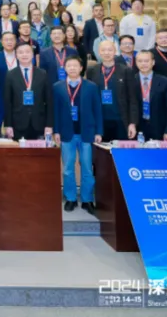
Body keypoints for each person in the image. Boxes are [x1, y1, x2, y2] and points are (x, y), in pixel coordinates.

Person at [53, 55, 102, 214]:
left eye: (76, 65)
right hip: (67, 133)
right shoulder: (57, 87)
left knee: (87, 168)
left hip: (87, 133)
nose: (72, 68)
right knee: (68, 168)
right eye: (69, 66)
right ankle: (71, 198)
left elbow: (98, 110)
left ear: (81, 68)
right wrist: (56, 130)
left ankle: (87, 200)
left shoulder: (91, 86)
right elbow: (55, 111)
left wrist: (99, 131)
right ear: (65, 68)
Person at [86, 40, 137, 142]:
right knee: (101, 151)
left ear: (115, 51)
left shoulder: (126, 70)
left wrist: (132, 123)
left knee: (120, 150)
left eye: (110, 50)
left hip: (121, 120)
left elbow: (133, 99)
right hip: (100, 121)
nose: (106, 53)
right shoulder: (92, 71)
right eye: (103, 50)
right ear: (99, 52)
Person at [3, 42, 53, 141]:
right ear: (16, 55)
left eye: (27, 52)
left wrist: (49, 125)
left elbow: (49, 101)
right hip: (18, 123)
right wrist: (8, 125)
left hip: (39, 123)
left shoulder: (42, 73)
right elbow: (7, 102)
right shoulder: (10, 75)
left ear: (33, 54)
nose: (24, 55)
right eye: (21, 52)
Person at [128, 50, 167, 141]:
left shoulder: (165, 82)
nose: (143, 64)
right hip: (137, 127)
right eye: (140, 61)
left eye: (146, 61)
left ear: (153, 62)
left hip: (159, 128)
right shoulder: (130, 81)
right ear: (136, 63)